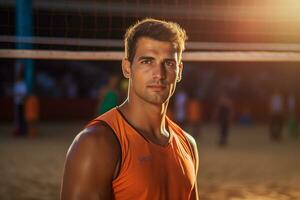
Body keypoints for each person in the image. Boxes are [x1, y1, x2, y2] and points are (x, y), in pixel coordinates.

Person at [61, 18, 199, 200]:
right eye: (147, 61)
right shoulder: (95, 144)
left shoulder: (188, 144)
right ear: (127, 68)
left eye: (168, 63)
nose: (159, 74)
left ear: (179, 70)